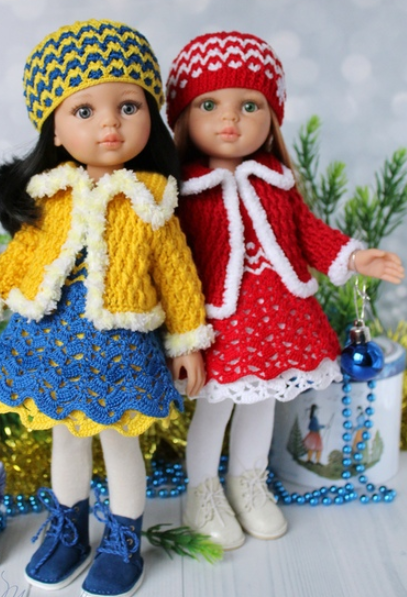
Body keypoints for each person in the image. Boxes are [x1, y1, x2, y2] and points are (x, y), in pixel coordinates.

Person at [0, 19, 213, 597]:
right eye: (85, 111)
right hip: (49, 341)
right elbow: (19, 259)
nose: (110, 124)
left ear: (151, 115)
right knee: (66, 438)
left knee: (118, 440)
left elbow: (177, 276)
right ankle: (69, 529)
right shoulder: (51, 194)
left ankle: (123, 539)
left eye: (128, 107)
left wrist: (188, 341)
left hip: (119, 349)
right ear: (56, 130)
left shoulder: (152, 201)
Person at [165, 30, 404, 549]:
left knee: (263, 404)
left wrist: (354, 257)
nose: (230, 120)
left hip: (279, 319)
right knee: (215, 408)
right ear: (182, 118)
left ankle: (248, 482)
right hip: (218, 327)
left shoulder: (276, 181)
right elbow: (170, 264)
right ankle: (201, 489)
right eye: (209, 105)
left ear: (271, 117)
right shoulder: (181, 191)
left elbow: (308, 232)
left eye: (249, 106)